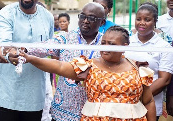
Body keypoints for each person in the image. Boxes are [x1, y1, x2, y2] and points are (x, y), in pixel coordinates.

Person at [19, 25, 156, 121]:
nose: (105, 47)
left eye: (111, 44)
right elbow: (59, 66)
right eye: (103, 43)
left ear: (124, 47)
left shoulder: (137, 69)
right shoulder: (88, 66)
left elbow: (148, 101)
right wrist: (30, 58)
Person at [9, 2, 105, 120]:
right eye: (82, 16)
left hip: (93, 113)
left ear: (102, 22)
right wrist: (23, 50)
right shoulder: (65, 38)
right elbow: (44, 47)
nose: (85, 21)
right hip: (62, 112)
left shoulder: (106, 44)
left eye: (91, 18)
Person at [0, 0, 54, 121]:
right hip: (6, 92)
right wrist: (10, 52)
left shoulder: (48, 17)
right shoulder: (5, 14)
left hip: (35, 94)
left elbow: (49, 46)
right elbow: (3, 42)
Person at [125, 3, 173, 120]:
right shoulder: (126, 42)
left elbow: (164, 79)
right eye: (138, 19)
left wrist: (138, 96)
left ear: (155, 21)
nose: (142, 23)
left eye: (147, 20)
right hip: (124, 103)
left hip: (149, 105)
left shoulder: (164, 47)